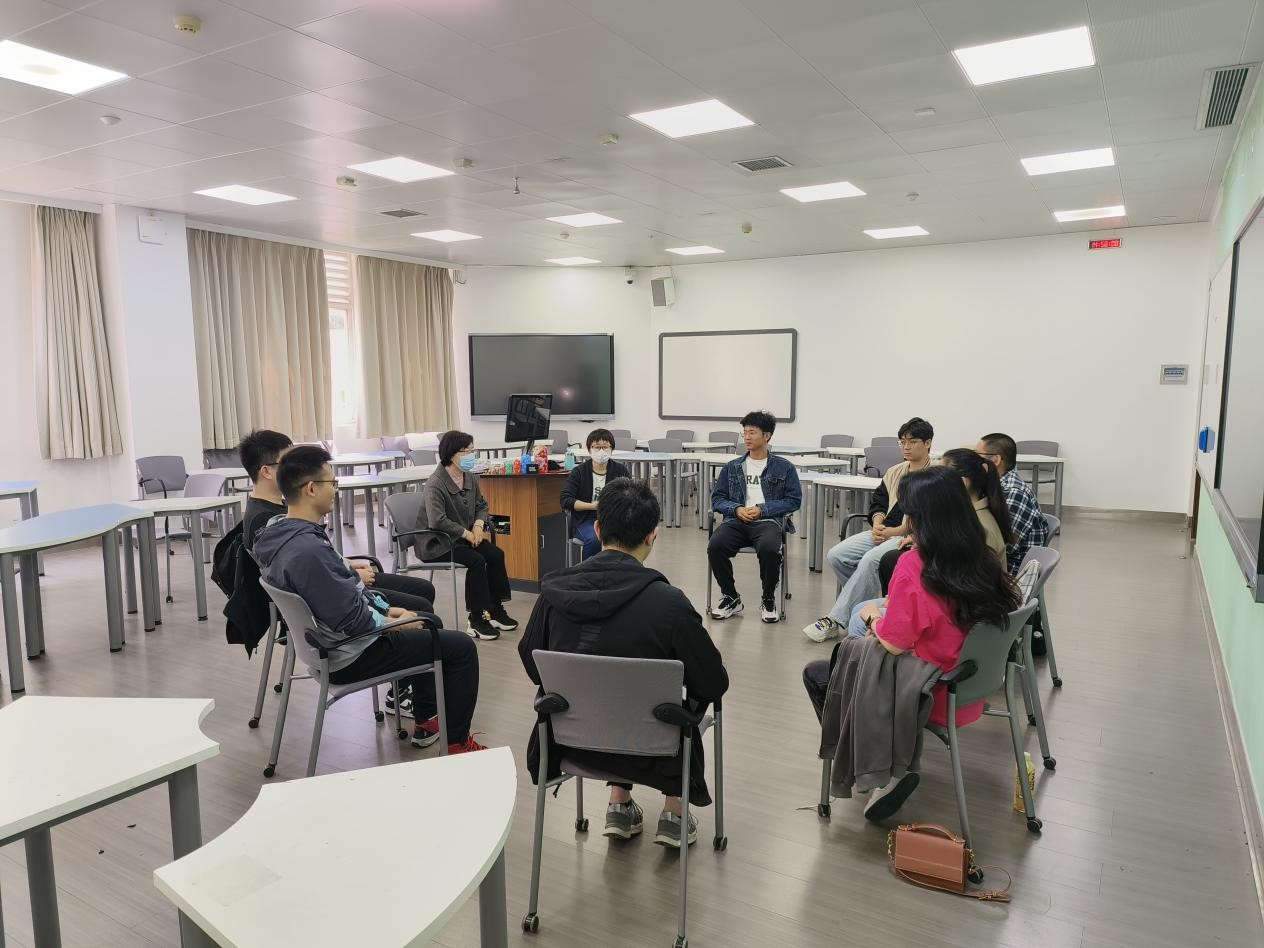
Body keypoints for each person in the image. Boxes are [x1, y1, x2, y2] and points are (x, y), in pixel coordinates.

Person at [519, 478, 729, 848]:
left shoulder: (552, 594)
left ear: (598, 529)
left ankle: (619, 803)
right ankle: (674, 812)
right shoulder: (669, 604)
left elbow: (533, 663)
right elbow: (713, 683)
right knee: (674, 706)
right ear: (652, 536)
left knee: (605, 691)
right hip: (654, 749)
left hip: (571, 743)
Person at [802, 465, 1020, 821]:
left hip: (927, 694)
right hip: (968, 688)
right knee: (855, 656)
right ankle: (885, 762)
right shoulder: (983, 557)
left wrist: (872, 616)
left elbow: (893, 643)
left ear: (920, 518)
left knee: (824, 672)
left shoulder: (915, 564)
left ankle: (879, 763)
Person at [254, 446, 486, 754]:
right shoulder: (308, 552)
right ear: (311, 489)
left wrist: (386, 609)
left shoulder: (279, 532)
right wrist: (394, 624)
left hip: (328, 647)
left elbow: (345, 595)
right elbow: (350, 619)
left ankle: (427, 718)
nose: (336, 489)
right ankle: (457, 745)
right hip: (350, 655)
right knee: (462, 648)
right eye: (331, 483)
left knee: (428, 620)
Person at [857, 447, 1015, 639]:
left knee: (859, 617)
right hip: (963, 621)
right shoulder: (972, 520)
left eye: (940, 475)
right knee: (864, 605)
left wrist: (878, 618)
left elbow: (950, 593)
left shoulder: (978, 530)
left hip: (954, 628)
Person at [804, 417, 934, 642]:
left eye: (912, 442)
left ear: (928, 443)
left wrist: (893, 532)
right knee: (837, 555)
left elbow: (928, 516)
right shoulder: (895, 471)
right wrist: (877, 522)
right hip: (884, 531)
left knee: (871, 561)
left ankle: (836, 620)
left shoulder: (935, 475)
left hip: (909, 537)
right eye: (902, 442)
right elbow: (879, 501)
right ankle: (864, 605)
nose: (906, 446)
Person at [419, 430, 517, 641]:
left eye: (473, 450)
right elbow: (437, 520)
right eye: (466, 451)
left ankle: (495, 610)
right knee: (476, 561)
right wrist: (466, 533)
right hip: (439, 543)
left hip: (464, 537)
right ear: (451, 454)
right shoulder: (435, 483)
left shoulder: (469, 476)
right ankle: (476, 618)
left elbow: (481, 505)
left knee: (496, 554)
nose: (471, 455)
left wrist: (479, 526)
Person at [707, 410, 802, 623]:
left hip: (768, 521)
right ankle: (731, 597)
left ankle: (768, 599)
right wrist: (736, 509)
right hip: (736, 520)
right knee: (715, 546)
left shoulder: (784, 467)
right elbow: (718, 498)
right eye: (745, 433)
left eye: (752, 432)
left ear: (767, 436)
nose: (747, 437)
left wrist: (763, 509)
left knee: (769, 549)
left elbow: (793, 501)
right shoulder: (732, 467)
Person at [975, 432, 1050, 575]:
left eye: (978, 456)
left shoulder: (1013, 492)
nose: (974, 462)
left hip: (1010, 572)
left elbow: (1002, 545)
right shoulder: (998, 485)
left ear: (996, 460)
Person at [559, 428, 631, 561]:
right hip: (586, 519)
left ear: (612, 449)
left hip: (614, 518)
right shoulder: (579, 472)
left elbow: (631, 496)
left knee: (627, 539)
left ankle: (617, 571)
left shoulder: (620, 470)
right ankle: (590, 572)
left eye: (605, 447)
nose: (601, 451)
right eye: (597, 447)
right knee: (595, 539)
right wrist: (592, 506)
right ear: (589, 449)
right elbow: (566, 499)